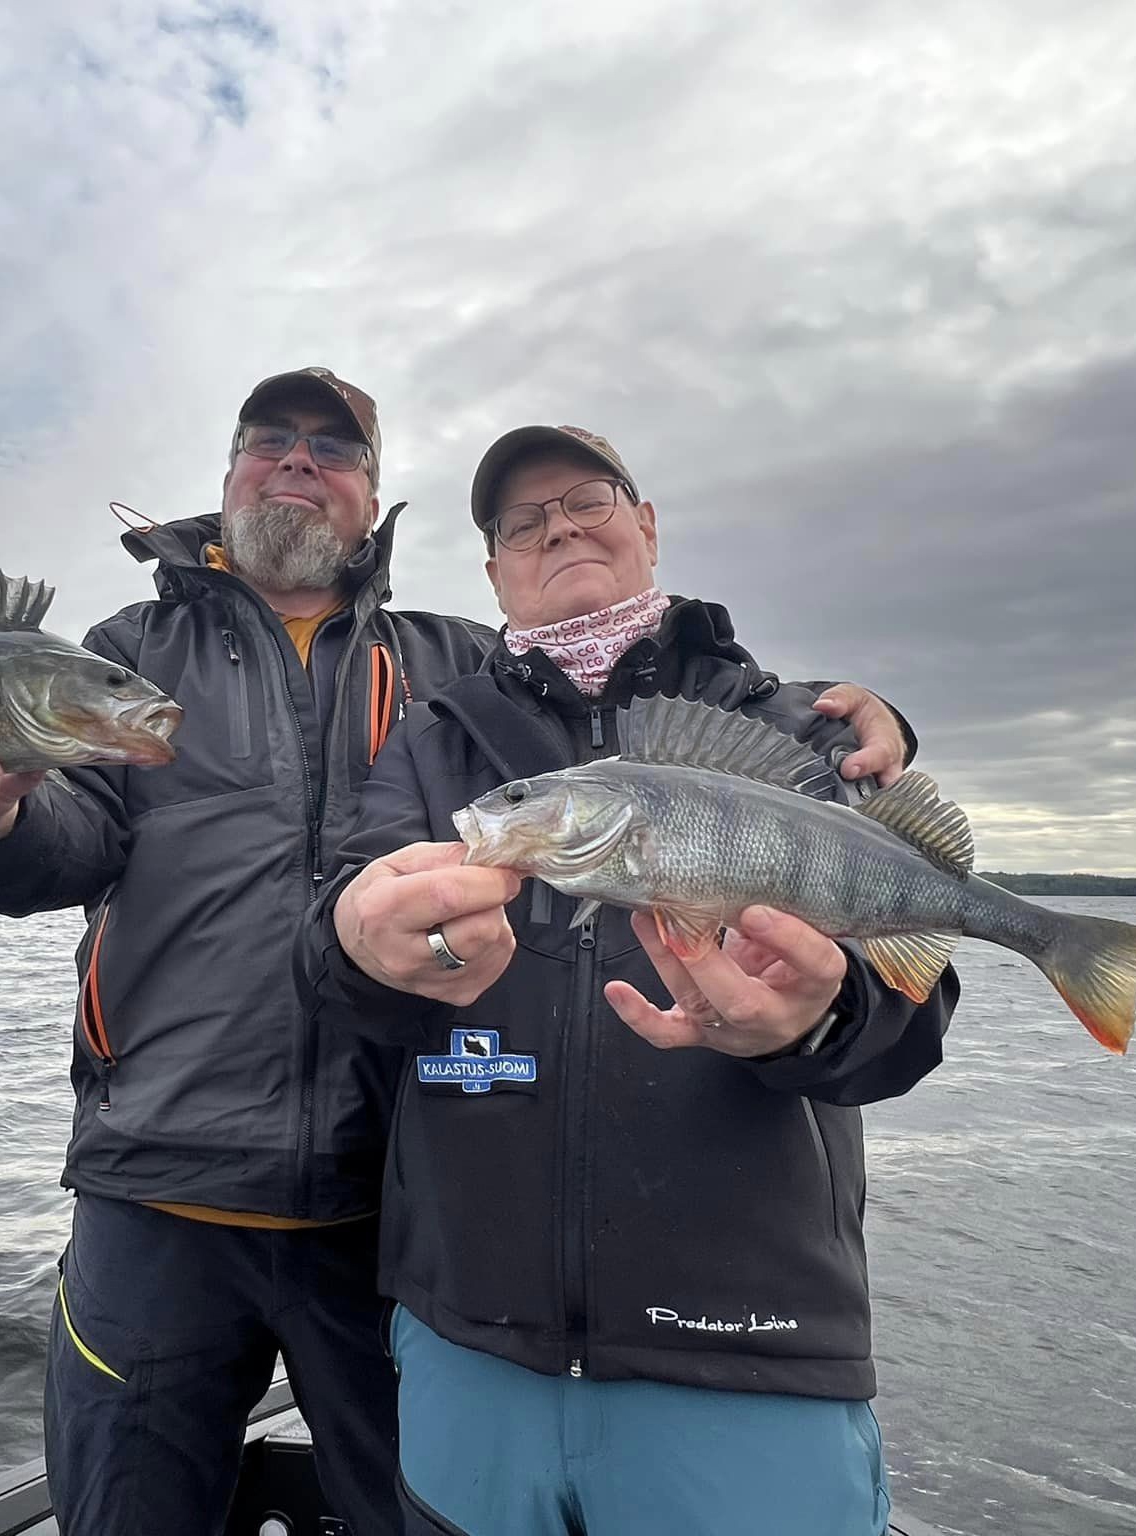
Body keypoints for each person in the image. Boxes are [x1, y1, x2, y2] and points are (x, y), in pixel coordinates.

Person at [0, 380, 913, 1534]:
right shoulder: (128, 655)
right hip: (154, 1189)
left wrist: (847, 726)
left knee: (391, 1507)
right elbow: (64, 841)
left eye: (335, 449)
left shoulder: (456, 668)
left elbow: (612, 704)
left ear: (374, 501)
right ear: (228, 479)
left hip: (376, 1212)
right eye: (269, 443)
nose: (297, 464)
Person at [297, 424, 958, 1536]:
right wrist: (360, 946)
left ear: (647, 526)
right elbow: (335, 974)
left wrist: (817, 1017)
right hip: (471, 1342)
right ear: (497, 571)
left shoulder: (799, 728)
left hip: (751, 1351)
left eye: (589, 500)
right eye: (521, 523)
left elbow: (910, 1017)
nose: (558, 527)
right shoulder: (432, 746)